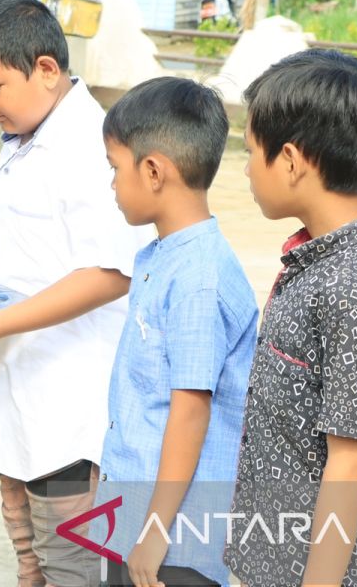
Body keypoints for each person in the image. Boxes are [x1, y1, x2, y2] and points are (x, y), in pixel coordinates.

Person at [0, 0, 147, 587]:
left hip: (68, 405)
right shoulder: (31, 132)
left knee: (73, 561)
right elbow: (31, 234)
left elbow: (109, 272)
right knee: (31, 554)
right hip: (22, 395)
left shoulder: (92, 145)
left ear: (45, 69)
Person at [224, 49, 357, 587]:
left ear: (290, 160)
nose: (244, 169)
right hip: (276, 554)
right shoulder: (318, 259)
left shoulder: (356, 286)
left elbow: (351, 461)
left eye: (250, 153)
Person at [85, 77, 258, 587]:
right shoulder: (165, 256)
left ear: (154, 171)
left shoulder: (198, 278)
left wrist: (156, 529)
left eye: (115, 169)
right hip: (136, 514)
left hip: (174, 540)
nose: (112, 184)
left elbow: (190, 410)